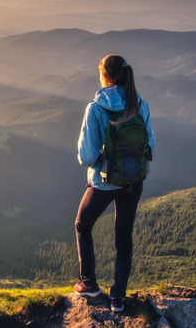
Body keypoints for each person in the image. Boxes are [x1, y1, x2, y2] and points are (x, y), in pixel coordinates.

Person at [74, 54, 155, 313]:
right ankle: (117, 297)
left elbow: (86, 156)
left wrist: (102, 160)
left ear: (104, 76)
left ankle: (89, 284)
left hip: (104, 181)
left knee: (82, 225)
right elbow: (149, 144)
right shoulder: (140, 104)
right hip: (134, 181)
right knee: (124, 239)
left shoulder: (96, 108)